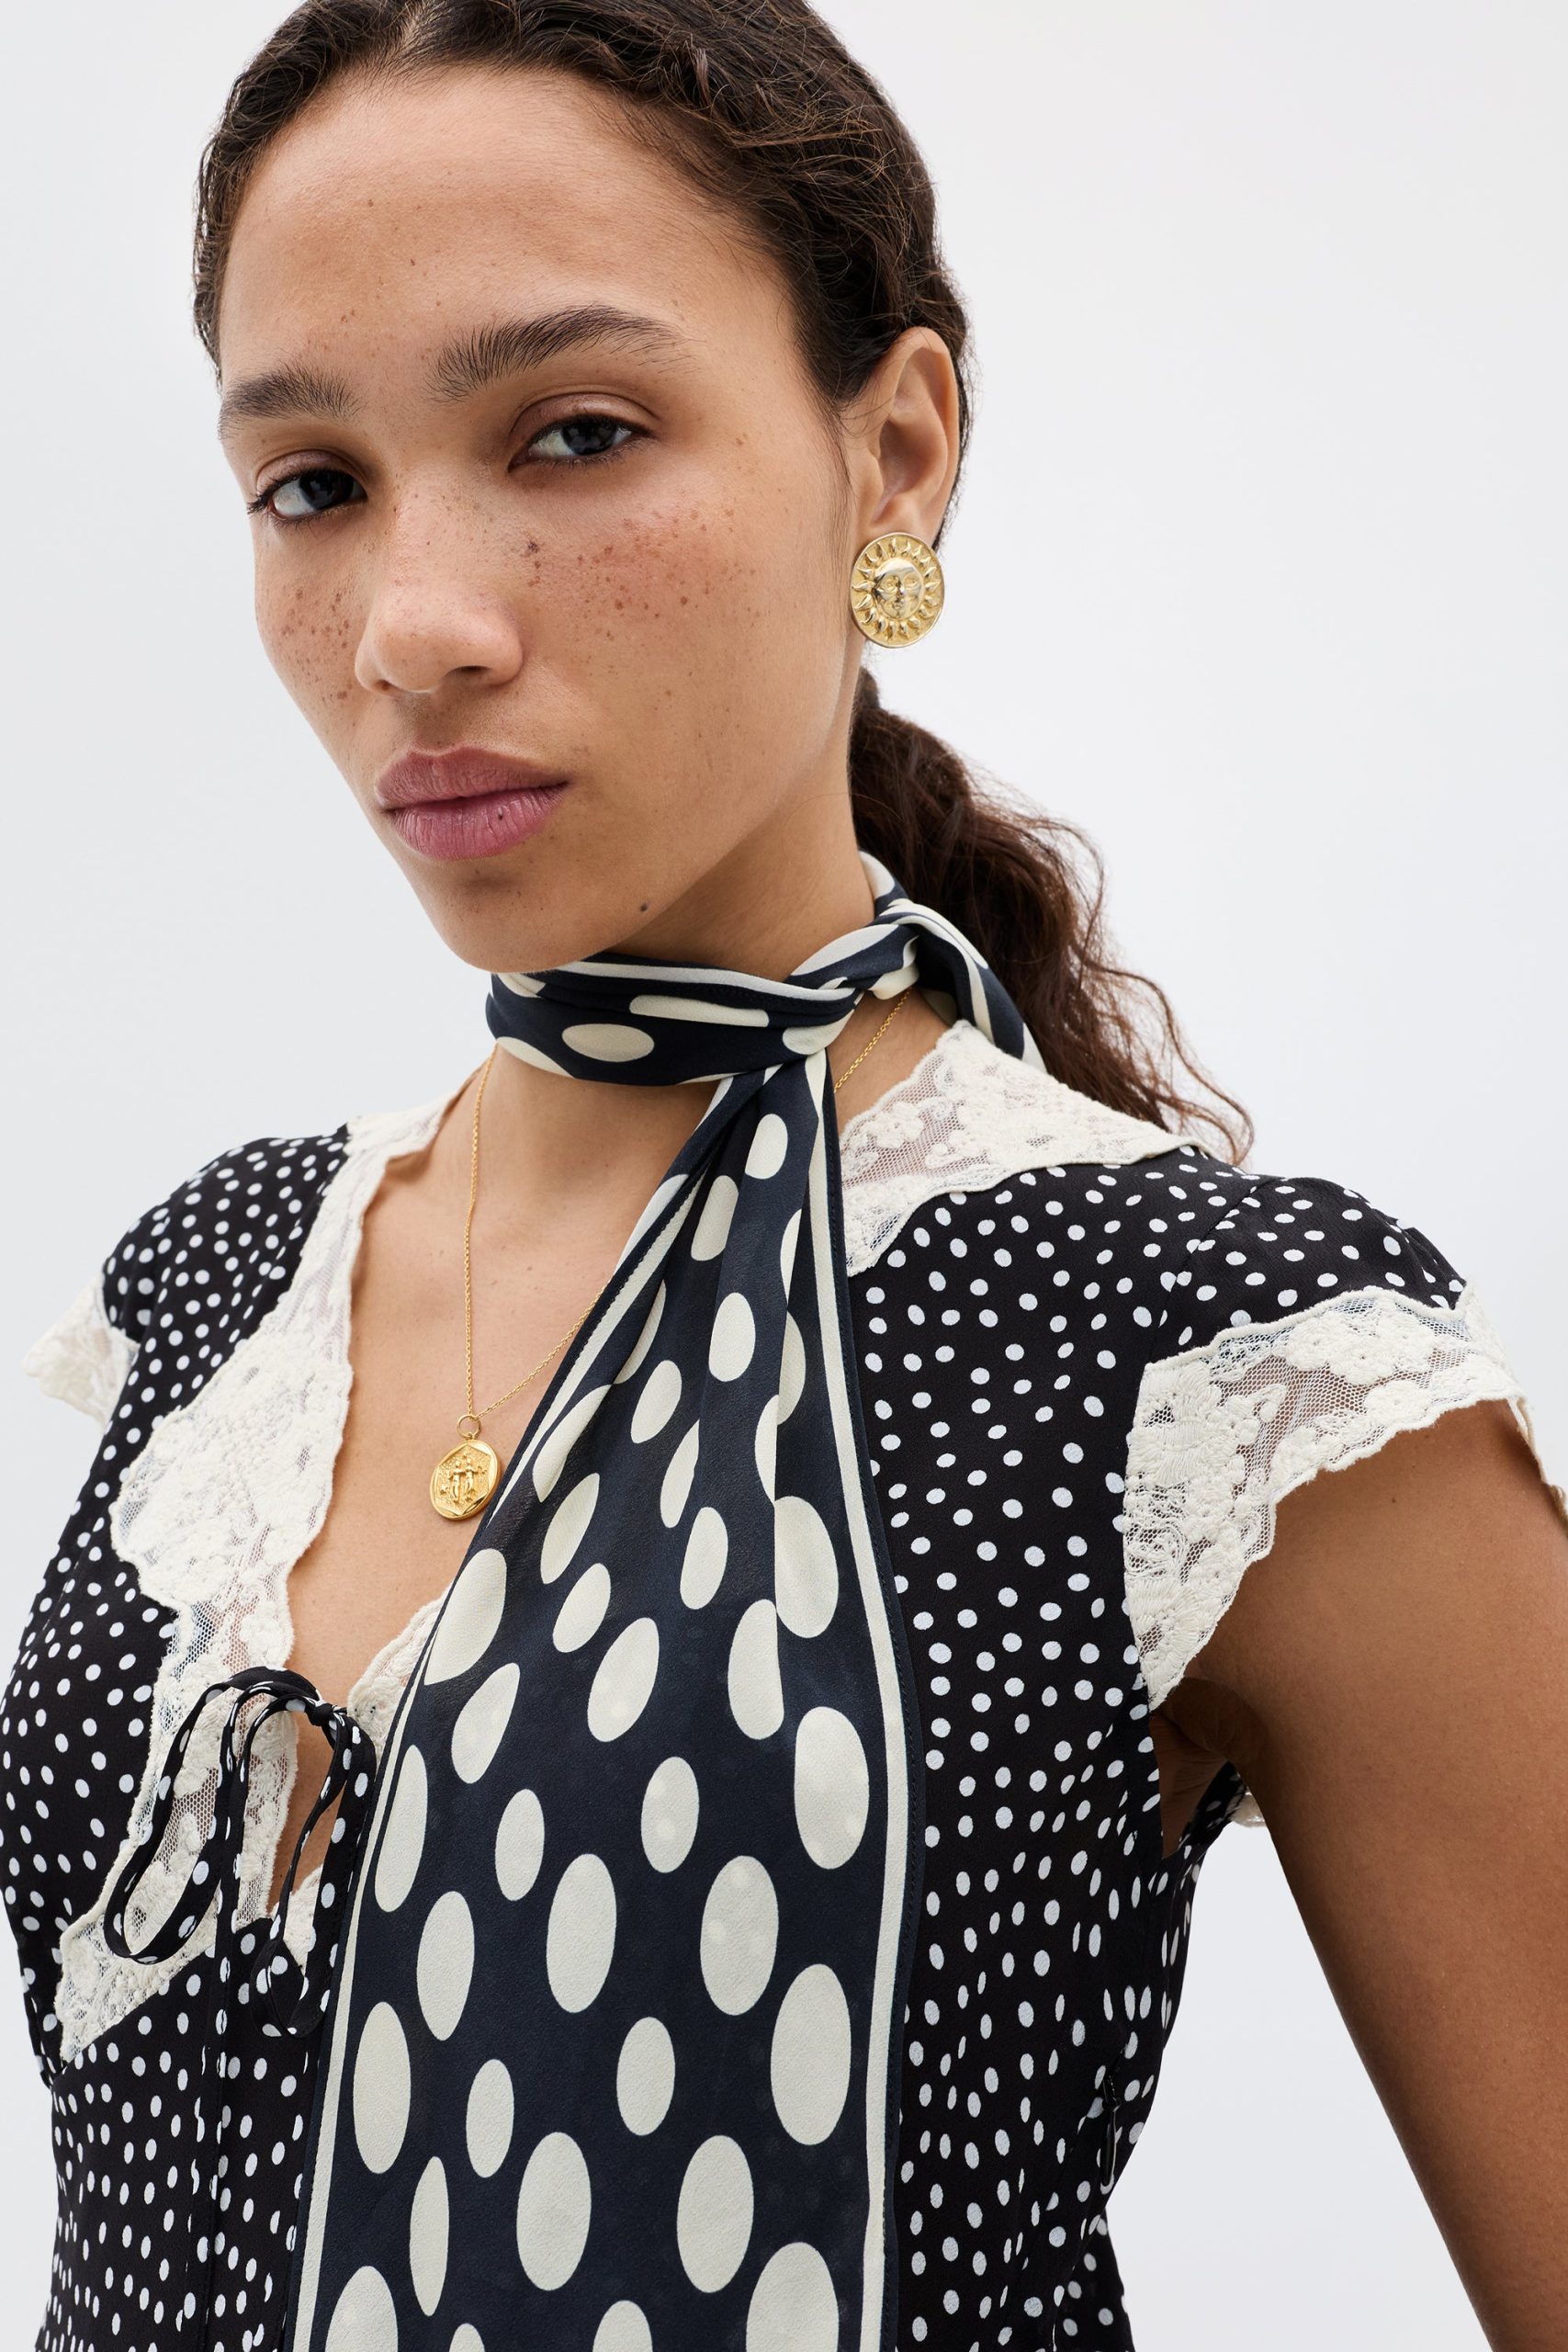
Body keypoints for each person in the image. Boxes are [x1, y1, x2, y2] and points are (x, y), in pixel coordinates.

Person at [7, 5, 1566, 2348]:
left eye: (575, 431)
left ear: (895, 454)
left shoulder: (1230, 1361)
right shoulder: (218, 1287)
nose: (415, 628)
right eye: (312, 481)